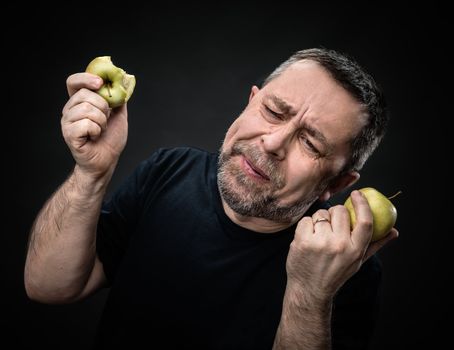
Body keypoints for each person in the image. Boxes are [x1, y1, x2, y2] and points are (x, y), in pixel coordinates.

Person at [24, 48, 398, 349]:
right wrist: (92, 174)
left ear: (337, 183)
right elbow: (49, 286)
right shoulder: (170, 170)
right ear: (251, 101)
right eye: (272, 111)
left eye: (310, 142)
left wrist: (309, 292)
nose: (272, 143)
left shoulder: (347, 265)